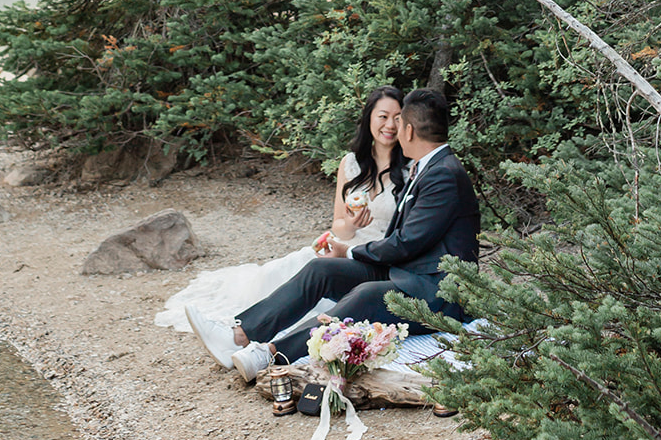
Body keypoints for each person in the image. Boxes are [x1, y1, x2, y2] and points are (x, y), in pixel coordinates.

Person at [186, 88, 480, 381]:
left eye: (399, 123)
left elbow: (407, 242)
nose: (395, 129)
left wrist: (351, 251)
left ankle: (272, 352)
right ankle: (239, 335)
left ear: (410, 130)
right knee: (321, 269)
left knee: (366, 295)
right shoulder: (428, 167)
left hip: (436, 295)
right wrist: (348, 252)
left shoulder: (443, 174)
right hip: (407, 273)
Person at [155, 87, 406, 332]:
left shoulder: (410, 169)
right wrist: (351, 225)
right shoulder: (351, 163)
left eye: (397, 118)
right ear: (369, 119)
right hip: (342, 243)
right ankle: (237, 326)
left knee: (313, 282)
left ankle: (247, 332)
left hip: (373, 255)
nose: (390, 125)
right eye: (383, 116)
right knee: (277, 273)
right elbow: (338, 224)